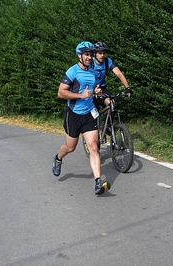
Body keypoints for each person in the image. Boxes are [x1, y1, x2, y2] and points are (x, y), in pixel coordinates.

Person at [51, 41, 110, 195]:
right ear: (79, 56)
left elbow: (93, 88)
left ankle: (98, 182)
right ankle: (58, 158)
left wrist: (96, 92)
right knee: (70, 147)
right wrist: (80, 95)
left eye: (91, 54)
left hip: (89, 113)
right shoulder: (72, 71)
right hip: (74, 115)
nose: (90, 57)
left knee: (94, 147)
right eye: (87, 55)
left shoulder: (92, 72)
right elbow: (61, 92)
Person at [92, 41, 132, 108]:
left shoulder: (107, 61)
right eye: (100, 53)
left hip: (102, 88)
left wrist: (127, 87)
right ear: (95, 54)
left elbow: (119, 73)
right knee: (92, 110)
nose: (102, 55)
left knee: (111, 103)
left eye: (104, 53)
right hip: (90, 87)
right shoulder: (90, 63)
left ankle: (107, 117)